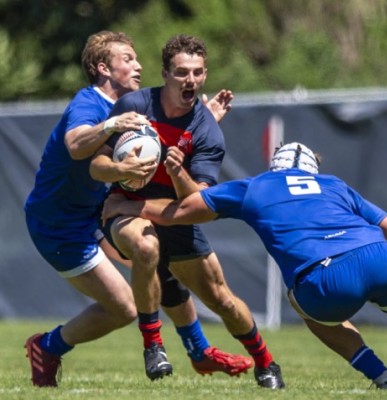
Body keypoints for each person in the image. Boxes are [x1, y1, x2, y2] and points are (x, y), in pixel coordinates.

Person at [102, 142, 387, 391]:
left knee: (309, 309)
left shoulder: (256, 186)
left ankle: (381, 377)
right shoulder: (333, 184)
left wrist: (130, 203)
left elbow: (178, 213)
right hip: (383, 260)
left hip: (324, 278)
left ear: (276, 164)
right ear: (312, 168)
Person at [23, 31, 251, 388]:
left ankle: (199, 350)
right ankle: (46, 346)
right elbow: (74, 144)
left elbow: (161, 141)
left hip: (95, 211)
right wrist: (112, 125)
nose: (138, 65)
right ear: (103, 68)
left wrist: (200, 121)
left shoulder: (134, 106)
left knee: (159, 262)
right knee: (124, 308)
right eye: (127, 59)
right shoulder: (90, 102)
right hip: (60, 225)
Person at [90, 34, 284, 389]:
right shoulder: (134, 105)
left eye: (196, 73)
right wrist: (120, 172)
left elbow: (198, 206)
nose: (189, 80)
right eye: (181, 72)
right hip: (125, 214)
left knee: (223, 301)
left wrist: (178, 172)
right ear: (165, 74)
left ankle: (266, 362)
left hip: (172, 214)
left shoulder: (207, 131)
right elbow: (96, 165)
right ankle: (153, 346)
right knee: (146, 247)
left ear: (205, 75)